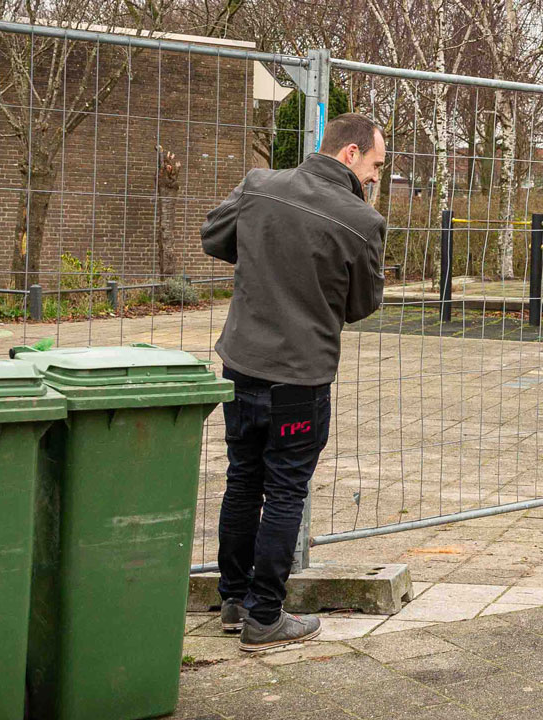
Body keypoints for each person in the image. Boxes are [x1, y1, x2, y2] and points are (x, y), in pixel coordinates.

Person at [201, 113, 387, 652]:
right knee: (284, 489)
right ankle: (265, 617)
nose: (376, 177)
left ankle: (234, 601)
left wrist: (265, 253)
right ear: (350, 154)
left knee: (243, 479)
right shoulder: (361, 221)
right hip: (299, 379)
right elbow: (361, 306)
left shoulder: (260, 185)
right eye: (375, 165)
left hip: (240, 362)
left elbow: (214, 237)